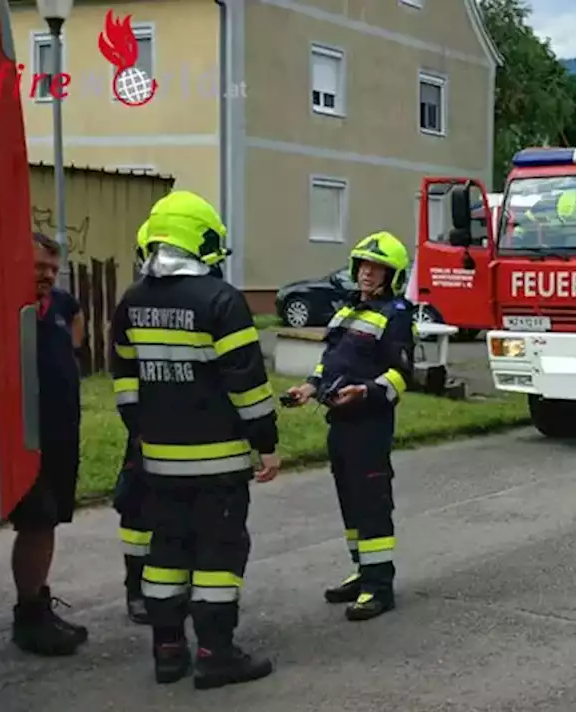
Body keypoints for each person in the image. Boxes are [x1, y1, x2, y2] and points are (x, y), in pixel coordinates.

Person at [109, 190, 281, 688]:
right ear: (202, 239)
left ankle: (168, 652)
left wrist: (142, 433)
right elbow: (247, 383)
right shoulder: (222, 300)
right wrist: (265, 443)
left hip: (158, 462)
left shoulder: (132, 301)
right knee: (218, 557)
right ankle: (215, 654)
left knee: (165, 554)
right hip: (220, 463)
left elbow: (124, 378)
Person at [286, 231, 416, 622]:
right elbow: (330, 361)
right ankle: (362, 571)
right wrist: (309, 387)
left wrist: (366, 391)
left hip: (369, 425)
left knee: (372, 503)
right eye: (363, 265)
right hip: (339, 423)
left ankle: (380, 587)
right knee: (350, 502)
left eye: (377, 268)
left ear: (392, 275)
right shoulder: (346, 312)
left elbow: (402, 374)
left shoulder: (395, 315)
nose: (367, 274)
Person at [6, 232, 88, 657]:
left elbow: (75, 327)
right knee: (35, 522)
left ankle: (39, 603)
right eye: (40, 266)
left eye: (54, 269)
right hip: (22, 438)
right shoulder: (5, 307)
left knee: (49, 520)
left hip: (60, 434)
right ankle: (28, 618)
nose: (48, 275)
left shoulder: (59, 305)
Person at [113, 221, 153, 625]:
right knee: (137, 512)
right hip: (145, 428)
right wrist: (136, 423)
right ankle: (135, 589)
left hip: (189, 425)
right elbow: (122, 368)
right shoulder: (133, 301)